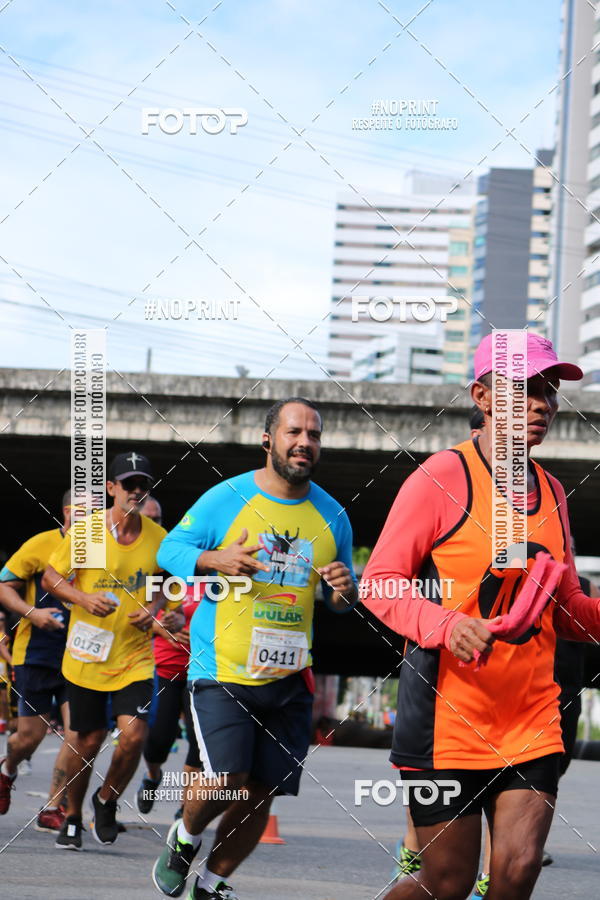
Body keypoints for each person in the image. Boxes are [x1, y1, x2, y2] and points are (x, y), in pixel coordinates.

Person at [361, 332, 600, 900]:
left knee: (518, 869)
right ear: (483, 396)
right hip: (445, 716)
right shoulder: (439, 478)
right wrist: (448, 625)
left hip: (531, 714)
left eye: (549, 391)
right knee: (447, 882)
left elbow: (566, 610)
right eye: (525, 390)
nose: (543, 404)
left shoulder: (553, 492)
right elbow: (379, 583)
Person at [151, 397, 358, 900]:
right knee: (226, 778)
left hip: (289, 677)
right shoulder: (226, 498)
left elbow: (340, 599)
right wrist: (214, 559)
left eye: (314, 435)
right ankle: (184, 837)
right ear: (268, 440)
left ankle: (211, 883)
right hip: (222, 669)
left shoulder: (333, 515)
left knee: (263, 791)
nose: (304, 442)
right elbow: (168, 550)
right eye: (294, 432)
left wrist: (345, 590)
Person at [41, 452, 181, 850]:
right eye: (129, 484)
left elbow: (166, 585)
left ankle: (106, 801)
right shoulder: (88, 532)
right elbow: (51, 578)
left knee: (134, 735)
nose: (136, 491)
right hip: (87, 654)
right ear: (111, 488)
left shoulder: (158, 538)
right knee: (87, 740)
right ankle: (72, 816)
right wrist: (83, 599)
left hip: (134, 656)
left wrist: (159, 611)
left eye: (143, 485)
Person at [0, 490, 78, 832]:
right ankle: (7, 768)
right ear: (66, 512)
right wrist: (33, 614)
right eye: (80, 511)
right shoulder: (40, 544)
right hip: (37, 654)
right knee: (28, 737)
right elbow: (4, 586)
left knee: (79, 734)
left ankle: (53, 806)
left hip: (83, 656)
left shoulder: (103, 548)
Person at [135, 584, 201, 817]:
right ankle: (152, 776)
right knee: (158, 739)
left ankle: (185, 808)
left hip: (202, 673)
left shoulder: (221, 579)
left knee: (198, 740)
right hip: (165, 669)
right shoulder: (164, 578)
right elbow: (132, 615)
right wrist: (160, 628)